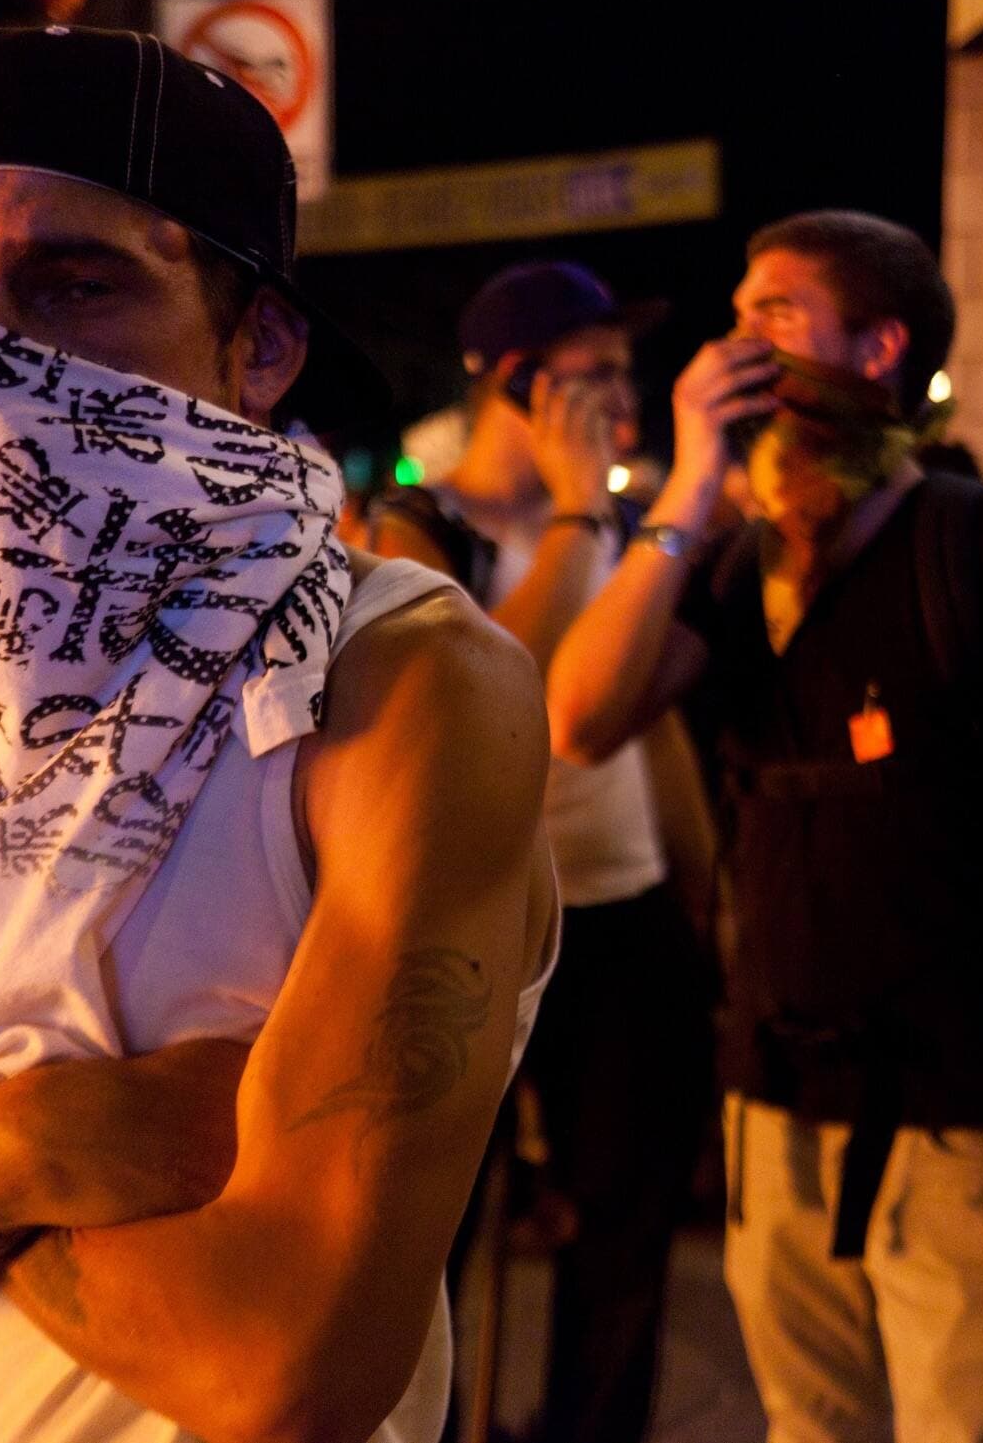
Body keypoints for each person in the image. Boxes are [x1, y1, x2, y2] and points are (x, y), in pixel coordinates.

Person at [0, 25, 557, 1443]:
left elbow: (279, 1372)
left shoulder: (403, 685)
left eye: (75, 283)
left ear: (264, 343)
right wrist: (38, 1140)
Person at [548, 209, 983, 1442]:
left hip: (953, 1113)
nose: (735, 346)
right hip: (768, 1101)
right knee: (808, 1427)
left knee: (963, 1426)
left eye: (773, 315)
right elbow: (578, 718)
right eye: (735, 316)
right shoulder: (729, 565)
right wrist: (695, 480)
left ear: (877, 351)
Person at [373, 262, 705, 1443]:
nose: (626, 394)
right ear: (520, 380)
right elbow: (471, 692)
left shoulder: (618, 519)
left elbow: (640, 726)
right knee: (433, 1228)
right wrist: (571, 517)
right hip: (469, 930)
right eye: (598, 371)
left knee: (625, 1222)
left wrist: (695, 884)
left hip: (619, 912)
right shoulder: (421, 523)